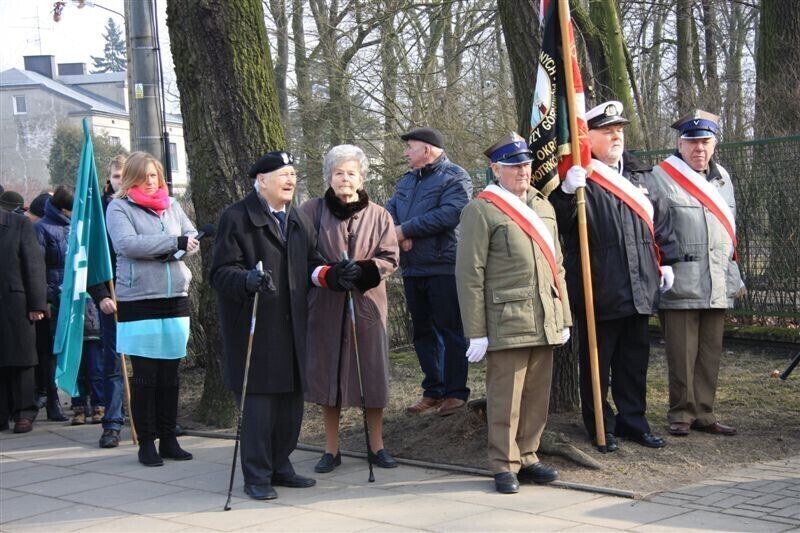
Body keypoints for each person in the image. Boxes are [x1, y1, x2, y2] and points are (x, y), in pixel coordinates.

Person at [210, 150, 360, 501]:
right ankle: (257, 475)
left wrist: (335, 274)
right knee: (260, 408)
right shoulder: (236, 218)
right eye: (284, 174)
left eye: (293, 173)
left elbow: (312, 264)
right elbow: (220, 273)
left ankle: (281, 465)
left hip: (293, 328)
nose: (291, 180)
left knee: (290, 407)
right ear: (261, 181)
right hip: (256, 328)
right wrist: (247, 279)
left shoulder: (297, 219)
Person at [550, 101, 680, 450]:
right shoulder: (578, 178)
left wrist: (666, 261)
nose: (616, 137)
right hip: (600, 286)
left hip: (641, 286)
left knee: (634, 363)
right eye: (607, 132)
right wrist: (564, 194)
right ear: (586, 137)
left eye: (619, 131)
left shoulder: (642, 175)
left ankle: (633, 422)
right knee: (597, 364)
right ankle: (600, 427)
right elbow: (558, 226)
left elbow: (662, 221)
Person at [456, 133, 570, 494]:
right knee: (505, 397)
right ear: (496, 169)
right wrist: (476, 331)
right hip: (505, 319)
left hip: (544, 316)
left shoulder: (543, 206)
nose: (522, 171)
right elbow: (469, 273)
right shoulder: (481, 209)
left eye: (525, 164)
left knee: (537, 395)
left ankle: (529, 456)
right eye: (513, 165)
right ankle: (504, 464)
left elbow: (559, 267)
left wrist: (563, 315)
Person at [299, 145, 400, 473]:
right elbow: (299, 256)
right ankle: (331, 449)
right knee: (330, 378)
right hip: (326, 306)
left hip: (367, 306)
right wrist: (328, 274)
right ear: (329, 176)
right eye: (339, 172)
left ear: (362, 177)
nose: (345, 178)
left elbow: (390, 257)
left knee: (371, 375)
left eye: (351, 173)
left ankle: (377, 446)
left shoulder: (380, 215)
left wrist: (365, 270)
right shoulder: (310, 211)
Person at [650, 110, 742, 437]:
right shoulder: (660, 177)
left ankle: (705, 412)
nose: (698, 148)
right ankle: (681, 413)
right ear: (680, 143)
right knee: (681, 353)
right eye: (692, 142)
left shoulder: (723, 179)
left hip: (717, 280)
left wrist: (734, 275)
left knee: (709, 353)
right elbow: (654, 228)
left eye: (705, 141)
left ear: (714, 144)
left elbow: (730, 230)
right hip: (680, 279)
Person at [106, 151, 199, 466]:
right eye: (144, 176)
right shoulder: (119, 207)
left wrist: (178, 245)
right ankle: (146, 441)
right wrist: (174, 244)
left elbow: (191, 236)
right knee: (146, 375)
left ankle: (169, 436)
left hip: (175, 297)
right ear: (131, 178)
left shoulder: (172, 205)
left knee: (170, 374)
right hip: (139, 299)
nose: (150, 182)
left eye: (155, 175)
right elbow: (127, 244)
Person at [385, 127, 472, 416]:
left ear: (427, 149)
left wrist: (406, 230)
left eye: (410, 146)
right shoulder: (406, 181)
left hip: (443, 266)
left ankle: (455, 392)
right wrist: (397, 232)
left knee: (451, 330)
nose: (405, 152)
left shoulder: (456, 177)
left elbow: (450, 214)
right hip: (412, 268)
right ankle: (433, 391)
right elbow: (389, 212)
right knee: (422, 333)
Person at [34, 186, 106, 425]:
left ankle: (98, 404)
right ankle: (77, 405)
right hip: (62, 303)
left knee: (95, 360)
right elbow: (39, 269)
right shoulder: (42, 229)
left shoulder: (81, 227)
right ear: (63, 209)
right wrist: (51, 296)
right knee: (72, 361)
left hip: (88, 303)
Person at [86, 155, 128, 448]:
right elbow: (89, 259)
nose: (120, 181)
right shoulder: (98, 214)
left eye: (125, 176)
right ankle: (112, 422)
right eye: (115, 176)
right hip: (111, 297)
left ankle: (151, 419)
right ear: (108, 179)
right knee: (113, 363)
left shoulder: (144, 207)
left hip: (139, 296)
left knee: (146, 362)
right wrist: (101, 295)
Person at [0, 194, 47, 433]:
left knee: (22, 360)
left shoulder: (18, 224)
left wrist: (37, 304)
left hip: (15, 304)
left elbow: (34, 265)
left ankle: (24, 412)